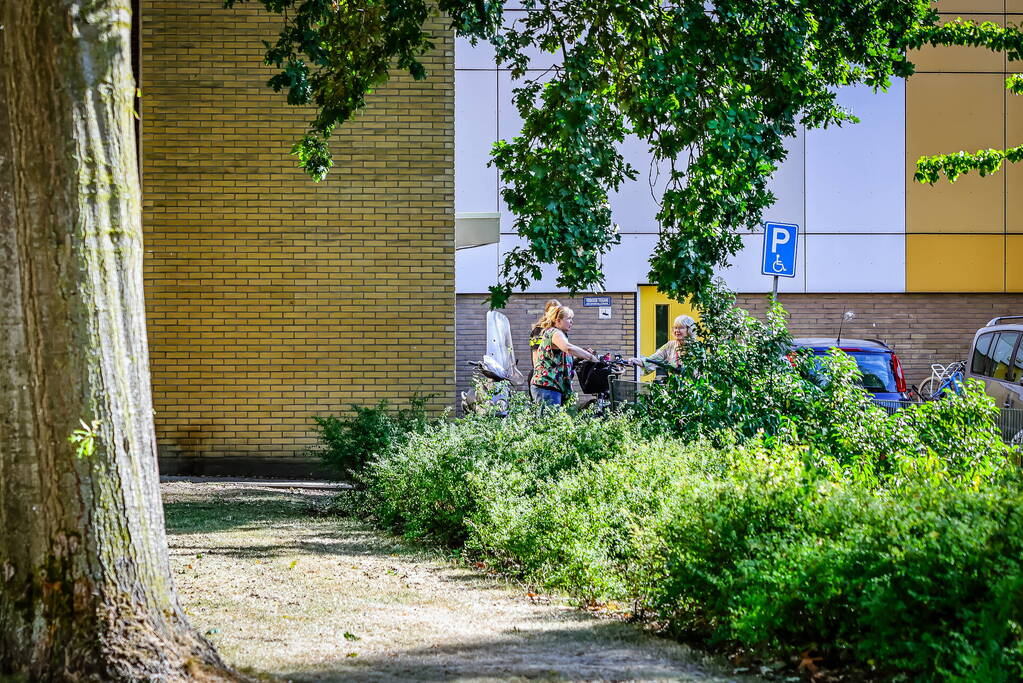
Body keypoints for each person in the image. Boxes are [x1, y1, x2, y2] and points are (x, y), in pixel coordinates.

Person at [531, 305, 598, 406]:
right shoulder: (554, 332)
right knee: (550, 421)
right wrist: (590, 357)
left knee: (553, 420)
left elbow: (561, 362)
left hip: (553, 387)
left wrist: (579, 357)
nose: (572, 322)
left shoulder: (560, 334)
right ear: (558, 321)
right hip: (547, 386)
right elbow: (568, 348)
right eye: (569, 318)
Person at [629, 314, 696, 375]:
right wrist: (637, 361)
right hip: (676, 385)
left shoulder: (697, 347)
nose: (677, 331)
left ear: (689, 330)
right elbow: (654, 359)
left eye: (681, 328)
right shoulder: (670, 345)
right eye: (675, 328)